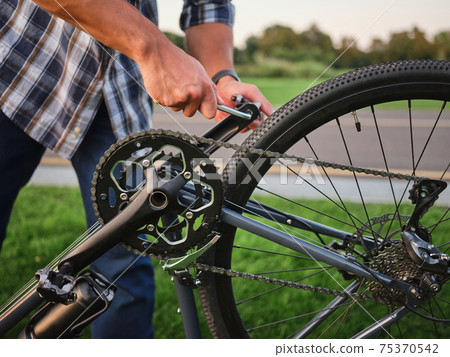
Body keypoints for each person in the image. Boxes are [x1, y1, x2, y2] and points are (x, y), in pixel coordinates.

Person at [0, 0, 273, 338]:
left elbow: (207, 7)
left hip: (116, 94)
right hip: (17, 66)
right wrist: (153, 48)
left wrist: (222, 78)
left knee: (124, 261)